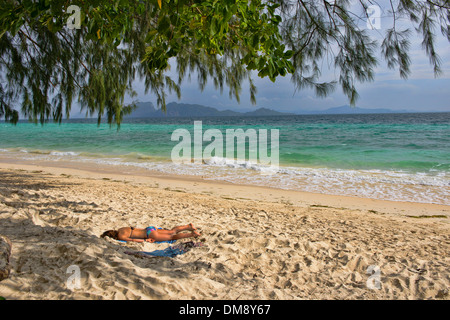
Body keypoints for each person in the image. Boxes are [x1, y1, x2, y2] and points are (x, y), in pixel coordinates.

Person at [101, 223, 200, 243]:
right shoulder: (121, 228)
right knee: (171, 231)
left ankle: (192, 234)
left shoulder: (121, 236)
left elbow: (133, 239)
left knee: (172, 237)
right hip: (149, 228)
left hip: (149, 235)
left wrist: (145, 240)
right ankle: (188, 226)